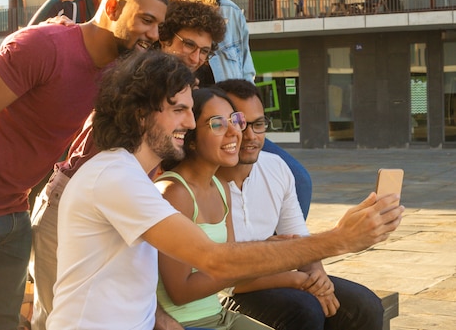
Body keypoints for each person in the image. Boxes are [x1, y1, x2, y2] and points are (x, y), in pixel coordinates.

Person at [47, 49, 403, 330]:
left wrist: (159, 319)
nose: (189, 122)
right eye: (179, 110)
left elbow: (122, 275)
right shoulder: (116, 177)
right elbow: (213, 260)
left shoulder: (131, 176)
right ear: (141, 113)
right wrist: (340, 238)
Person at [0, 0, 167, 330]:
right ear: (112, 7)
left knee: (4, 322)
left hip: (15, 208)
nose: (154, 35)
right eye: (147, 20)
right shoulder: (45, 45)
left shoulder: (115, 71)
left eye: (159, 25)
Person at [29, 0, 226, 330]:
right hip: (71, 197)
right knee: (54, 313)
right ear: (163, 39)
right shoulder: (131, 77)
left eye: (205, 51)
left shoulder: (179, 90)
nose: (195, 57)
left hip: (120, 201)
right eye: (188, 45)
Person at [142, 0, 313, 219]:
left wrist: (245, 128)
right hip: (180, 136)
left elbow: (246, 79)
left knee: (297, 180)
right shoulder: (157, 18)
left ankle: (274, 249)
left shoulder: (230, 15)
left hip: (230, 126)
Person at [215, 79, 384, 330]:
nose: (251, 135)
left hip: (274, 277)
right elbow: (221, 279)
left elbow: (300, 241)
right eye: (241, 123)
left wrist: (317, 277)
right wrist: (297, 279)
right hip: (226, 292)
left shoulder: (276, 167)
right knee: (303, 310)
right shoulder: (206, 180)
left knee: (365, 306)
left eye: (259, 124)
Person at [155, 87, 271, 330]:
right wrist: (265, 257)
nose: (234, 132)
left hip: (220, 316)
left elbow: (228, 264)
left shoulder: (220, 186)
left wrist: (276, 254)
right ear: (192, 139)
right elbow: (180, 291)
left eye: (234, 120)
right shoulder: (174, 193)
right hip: (186, 323)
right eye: (217, 124)